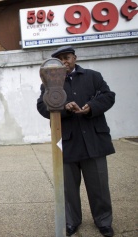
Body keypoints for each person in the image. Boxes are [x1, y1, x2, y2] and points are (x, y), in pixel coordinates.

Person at [37, 46, 115, 237]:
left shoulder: (93, 76)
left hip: (94, 141)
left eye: (67, 57)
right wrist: (63, 107)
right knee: (69, 190)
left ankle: (104, 221)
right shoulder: (49, 81)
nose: (64, 61)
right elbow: (41, 106)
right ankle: (71, 221)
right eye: (60, 59)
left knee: (99, 187)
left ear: (74, 58)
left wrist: (90, 107)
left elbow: (108, 96)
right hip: (67, 144)